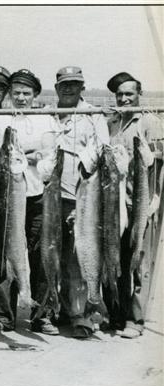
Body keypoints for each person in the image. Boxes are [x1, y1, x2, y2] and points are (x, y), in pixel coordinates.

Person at [38, 66, 110, 339]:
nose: (69, 89)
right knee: (52, 257)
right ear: (56, 88)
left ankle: (81, 315)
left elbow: (102, 152)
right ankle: (55, 311)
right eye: (64, 85)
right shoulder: (46, 114)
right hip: (52, 198)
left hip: (84, 199)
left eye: (74, 84)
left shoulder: (94, 116)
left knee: (79, 260)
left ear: (82, 87)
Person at [0, 69, 58, 335]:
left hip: (37, 195)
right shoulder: (0, 118)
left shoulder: (46, 119)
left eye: (27, 93)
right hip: (8, 198)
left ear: (35, 94)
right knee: (8, 254)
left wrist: (34, 158)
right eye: (16, 93)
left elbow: (51, 158)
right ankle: (4, 316)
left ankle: (42, 316)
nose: (21, 98)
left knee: (40, 255)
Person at [104, 72, 163, 338]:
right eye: (120, 95)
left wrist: (156, 199)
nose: (125, 98)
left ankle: (135, 319)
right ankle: (116, 313)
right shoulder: (114, 122)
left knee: (139, 260)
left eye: (129, 93)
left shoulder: (149, 121)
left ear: (139, 93)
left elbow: (159, 164)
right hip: (117, 203)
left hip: (142, 202)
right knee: (116, 258)